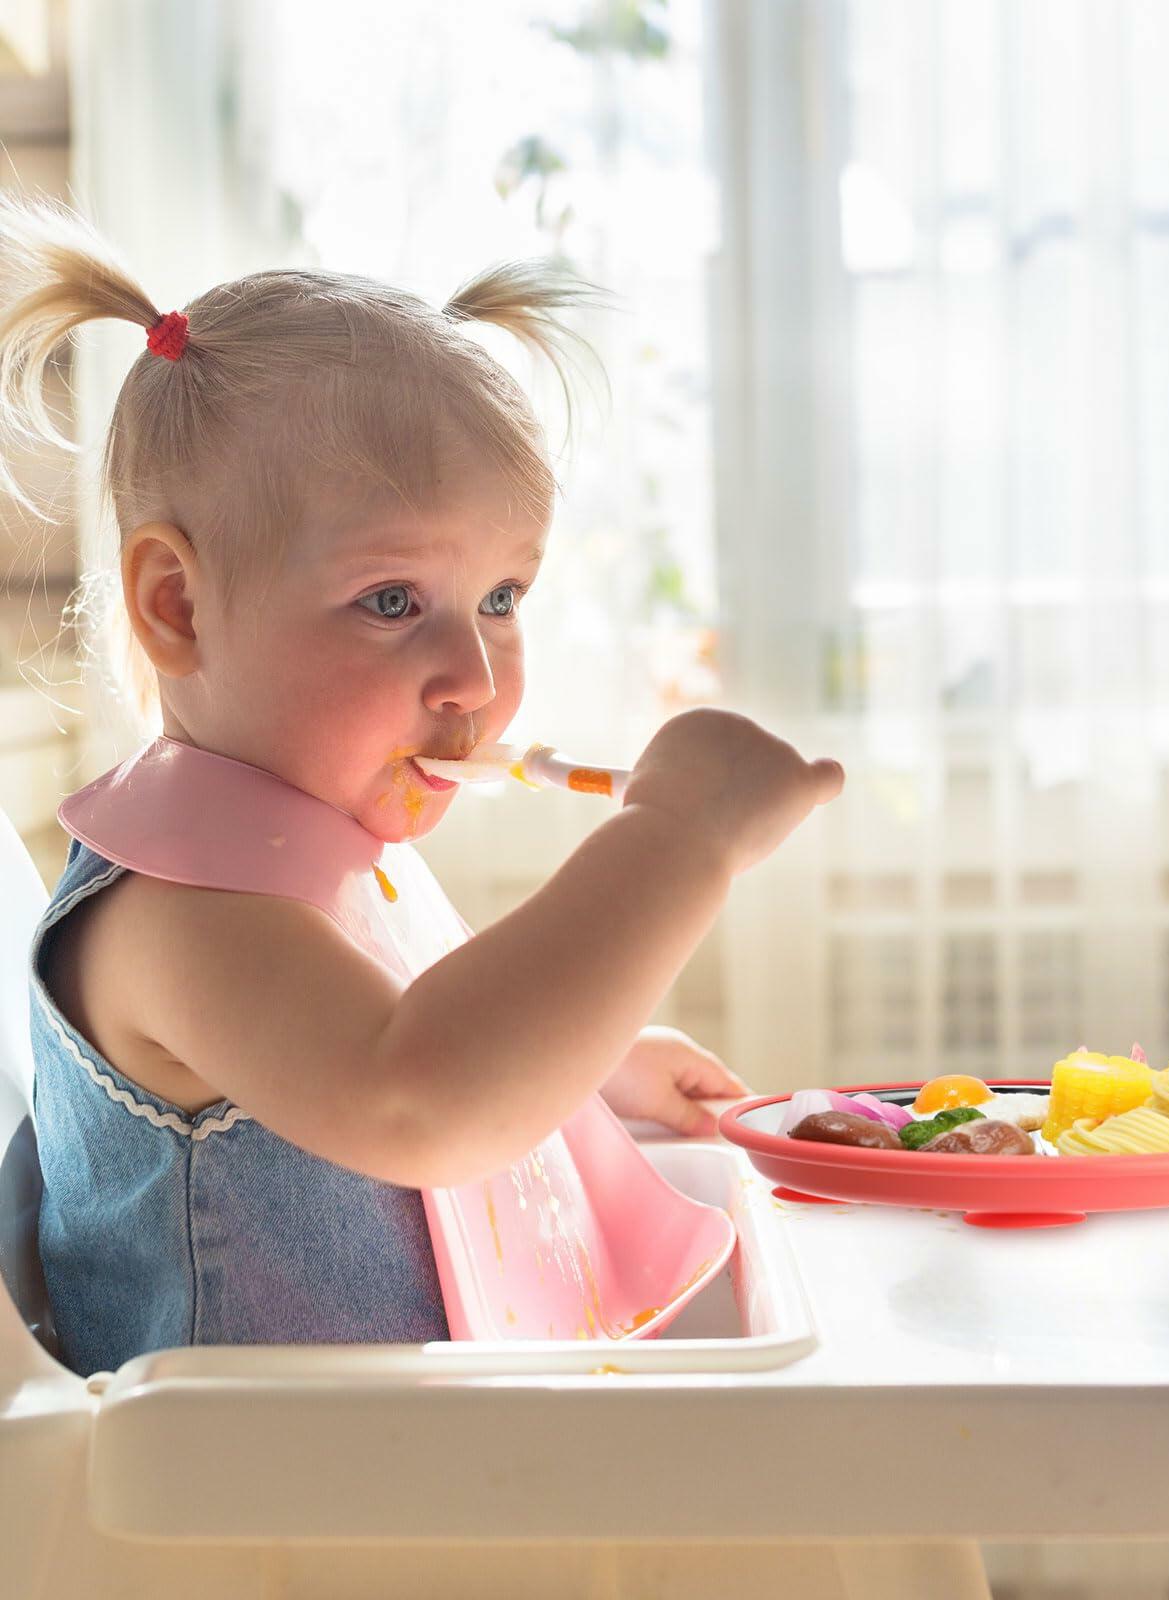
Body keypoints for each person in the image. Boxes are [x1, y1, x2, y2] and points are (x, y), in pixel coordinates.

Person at [10, 197, 843, 1375]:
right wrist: (677, 840)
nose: (474, 677)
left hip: (394, 1454)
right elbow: (419, 1097)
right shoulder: (183, 914)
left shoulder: (301, 843)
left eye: (502, 598)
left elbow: (392, 1034)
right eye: (393, 600)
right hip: (249, 1487)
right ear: (178, 606)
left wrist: (580, 1071)